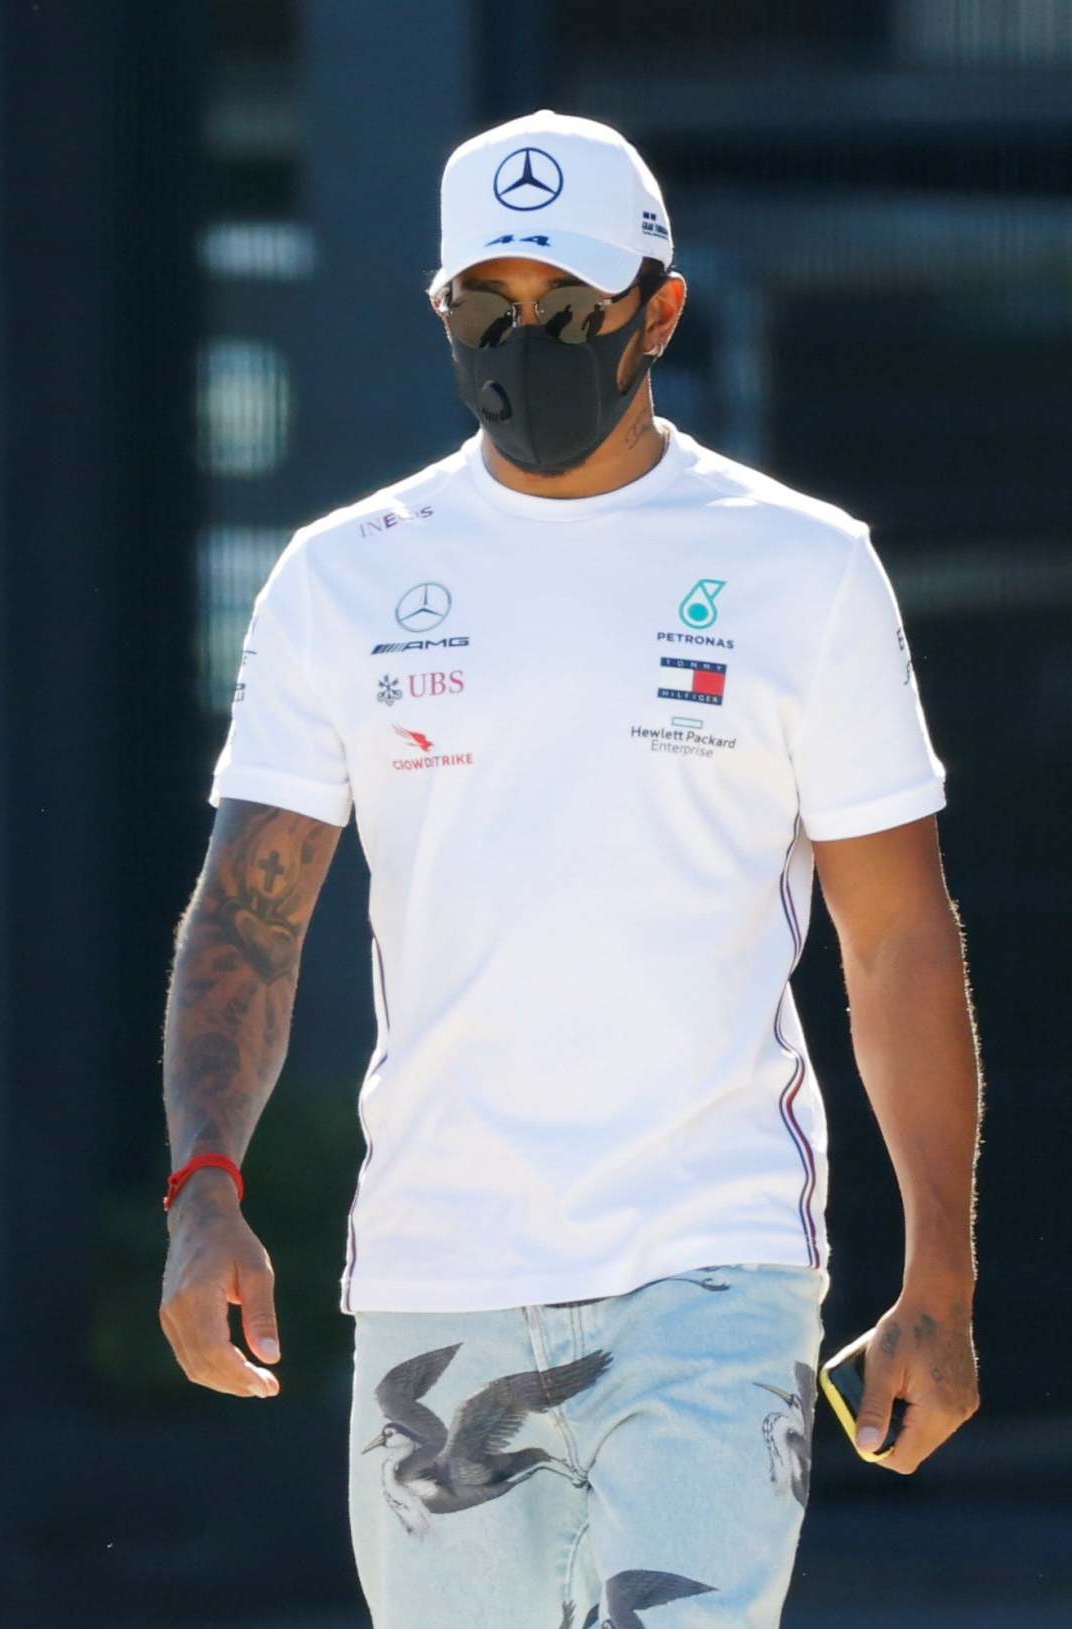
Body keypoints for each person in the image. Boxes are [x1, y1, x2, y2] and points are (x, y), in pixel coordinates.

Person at [157, 111, 981, 1626]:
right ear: (440, 313)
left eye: (566, 312)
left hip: (712, 1261)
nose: (521, 342)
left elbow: (896, 941)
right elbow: (248, 917)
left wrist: (939, 1277)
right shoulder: (341, 576)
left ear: (656, 310)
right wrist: (204, 1187)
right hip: (436, 1264)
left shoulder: (801, 566)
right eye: (486, 308)